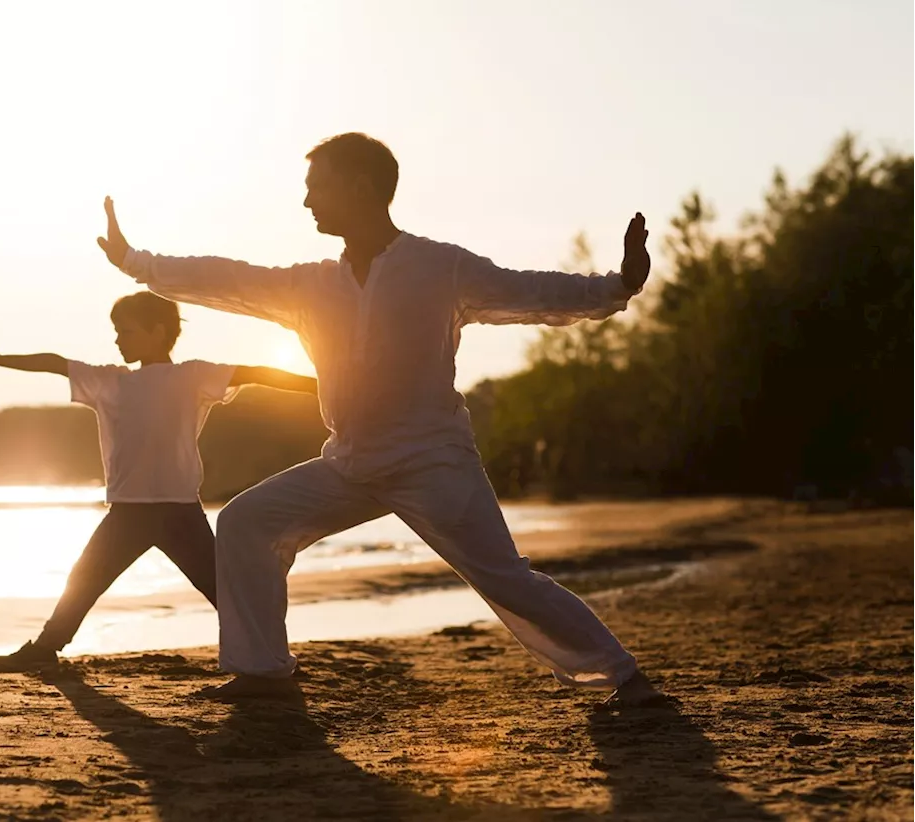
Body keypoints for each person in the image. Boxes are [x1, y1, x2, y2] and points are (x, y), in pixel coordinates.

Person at [95, 132, 661, 707]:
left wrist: (618, 286)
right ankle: (263, 674)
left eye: (317, 187)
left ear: (360, 187)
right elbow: (227, 278)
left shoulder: (439, 267)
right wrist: (135, 262)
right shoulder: (310, 284)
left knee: (505, 578)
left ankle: (625, 677)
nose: (308, 202)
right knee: (245, 522)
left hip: (432, 459)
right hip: (347, 463)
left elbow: (532, 291)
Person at [0, 291, 317, 673]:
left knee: (222, 589)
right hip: (127, 511)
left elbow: (258, 373)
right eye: (116, 331)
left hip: (178, 510)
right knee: (84, 578)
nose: (118, 339)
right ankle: (47, 646)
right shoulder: (110, 381)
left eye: (126, 331)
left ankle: (269, 654)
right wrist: (0, 358)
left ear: (158, 331)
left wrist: (323, 385)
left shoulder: (191, 375)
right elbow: (56, 362)